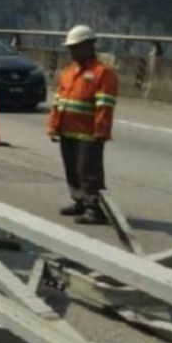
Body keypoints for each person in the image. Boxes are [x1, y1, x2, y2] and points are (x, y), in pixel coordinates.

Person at [49, 25, 118, 225]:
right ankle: (79, 201)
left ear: (89, 46)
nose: (72, 52)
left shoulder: (103, 72)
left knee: (89, 173)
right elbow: (58, 101)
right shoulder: (68, 72)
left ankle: (95, 208)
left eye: (75, 47)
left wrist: (101, 131)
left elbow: (105, 105)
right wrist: (53, 126)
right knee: (72, 170)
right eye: (70, 48)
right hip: (67, 131)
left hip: (89, 134)